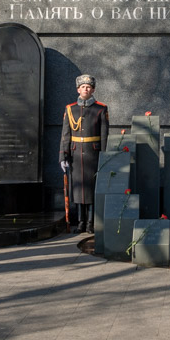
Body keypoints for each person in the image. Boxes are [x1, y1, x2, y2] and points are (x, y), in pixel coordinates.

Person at [59, 74, 108, 233]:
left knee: (91, 189)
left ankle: (90, 222)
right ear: (78, 89)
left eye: (88, 87)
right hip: (75, 155)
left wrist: (104, 156)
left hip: (93, 154)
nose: (85, 89)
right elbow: (66, 134)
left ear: (93, 89)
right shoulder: (70, 109)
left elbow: (104, 135)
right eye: (82, 87)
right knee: (78, 190)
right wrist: (63, 155)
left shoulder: (100, 108)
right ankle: (80, 222)